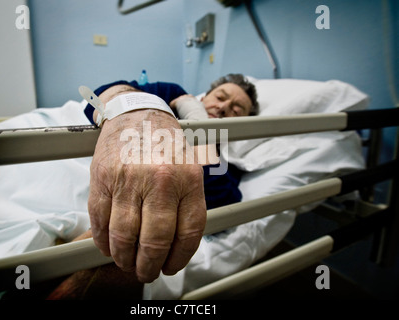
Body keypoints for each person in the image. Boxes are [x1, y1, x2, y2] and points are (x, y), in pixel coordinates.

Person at [20, 74, 259, 299]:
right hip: (70, 165)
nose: (224, 107)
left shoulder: (224, 158)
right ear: (204, 95)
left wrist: (202, 128)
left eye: (237, 109)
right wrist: (138, 111)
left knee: (128, 240)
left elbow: (220, 203)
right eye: (220, 96)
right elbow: (104, 97)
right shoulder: (171, 94)